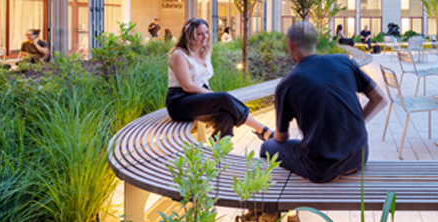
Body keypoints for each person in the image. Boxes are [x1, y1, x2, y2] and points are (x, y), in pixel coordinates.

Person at [261, 21, 387, 184]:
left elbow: (282, 138)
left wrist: (269, 135)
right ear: (317, 42)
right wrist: (355, 124)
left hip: (321, 168)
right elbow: (380, 99)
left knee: (267, 147)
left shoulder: (287, 84)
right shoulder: (344, 61)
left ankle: (275, 205)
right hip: (359, 156)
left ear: (290, 44)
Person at [166, 18, 272, 139]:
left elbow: (202, 80)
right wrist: (212, 95)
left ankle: (218, 151)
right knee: (223, 97)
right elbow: (187, 86)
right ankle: (262, 129)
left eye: (206, 32)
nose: (204, 36)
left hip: (196, 98)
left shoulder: (204, 53)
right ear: (189, 36)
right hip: (180, 102)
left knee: (225, 116)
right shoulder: (179, 56)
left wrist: (211, 97)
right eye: (199, 34)